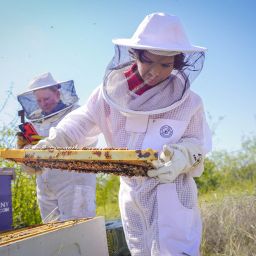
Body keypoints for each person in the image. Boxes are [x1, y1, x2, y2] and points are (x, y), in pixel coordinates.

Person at [32, 13, 211, 255]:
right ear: (135, 54)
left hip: (173, 195)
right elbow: (80, 122)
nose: (154, 72)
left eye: (165, 64)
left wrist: (183, 156)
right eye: (148, 60)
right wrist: (52, 144)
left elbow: (197, 144)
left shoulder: (189, 102)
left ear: (177, 64)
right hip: (132, 195)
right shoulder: (109, 94)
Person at [17, 72, 96, 222]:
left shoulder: (75, 114)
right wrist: (25, 153)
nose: (43, 103)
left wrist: (45, 148)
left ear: (58, 94)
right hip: (45, 187)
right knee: (52, 237)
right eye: (39, 100)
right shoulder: (36, 122)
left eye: (46, 98)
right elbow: (31, 150)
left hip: (74, 183)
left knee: (77, 234)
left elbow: (80, 141)